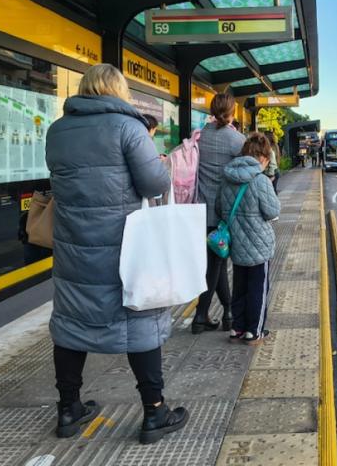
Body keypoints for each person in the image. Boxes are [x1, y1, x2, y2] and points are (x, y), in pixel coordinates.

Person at [45, 63, 186, 444]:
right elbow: (155, 183)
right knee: (139, 322)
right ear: (117, 90)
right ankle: (155, 412)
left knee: (72, 323)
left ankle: (68, 408)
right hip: (124, 246)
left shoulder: (57, 131)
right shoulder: (129, 128)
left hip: (74, 246)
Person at [216, 133, 280, 343]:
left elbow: (219, 208)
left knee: (240, 286)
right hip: (259, 245)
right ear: (262, 157)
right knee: (258, 288)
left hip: (236, 243)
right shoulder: (261, 180)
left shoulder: (227, 177)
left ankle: (238, 327)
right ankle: (255, 330)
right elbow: (272, 211)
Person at [194, 93, 246, 335]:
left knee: (217, 261)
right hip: (225, 212)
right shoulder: (237, 140)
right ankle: (200, 315)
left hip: (199, 210)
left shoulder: (200, 136)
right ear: (232, 111)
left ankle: (228, 312)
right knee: (215, 265)